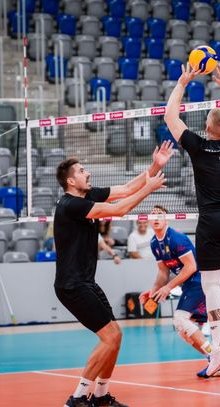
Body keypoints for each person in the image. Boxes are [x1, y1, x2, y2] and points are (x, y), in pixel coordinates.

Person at [54, 141, 172, 407]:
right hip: (72, 285)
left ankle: (100, 396)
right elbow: (119, 209)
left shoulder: (87, 195)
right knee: (111, 337)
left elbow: (127, 189)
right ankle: (77, 398)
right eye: (82, 171)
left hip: (85, 282)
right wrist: (150, 189)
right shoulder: (71, 205)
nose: (88, 173)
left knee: (115, 336)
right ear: (71, 181)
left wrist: (155, 166)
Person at [164, 63, 220, 376]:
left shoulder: (199, 146)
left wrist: (182, 82)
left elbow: (170, 117)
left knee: (211, 283)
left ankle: (218, 342)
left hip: (211, 220)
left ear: (207, 126)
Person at [140, 205, 220, 379]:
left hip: (199, 281)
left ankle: (216, 358)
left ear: (167, 219)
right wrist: (153, 291)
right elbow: (163, 272)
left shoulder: (177, 238)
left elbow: (191, 267)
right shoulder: (154, 243)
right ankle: (217, 361)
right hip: (188, 285)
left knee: (180, 319)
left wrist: (168, 287)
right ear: (148, 220)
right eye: (153, 215)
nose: (156, 218)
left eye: (160, 215)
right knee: (182, 330)